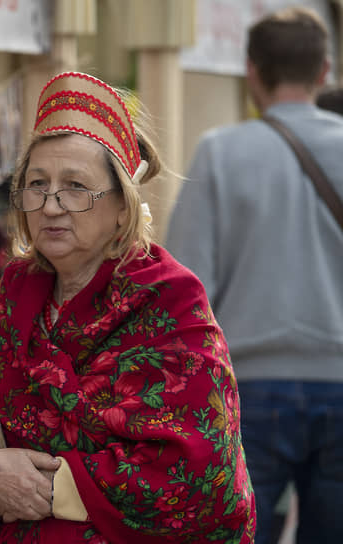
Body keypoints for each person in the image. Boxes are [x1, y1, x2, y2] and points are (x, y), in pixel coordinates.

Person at [0, 70, 256, 543]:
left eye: (76, 186)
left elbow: (199, 474)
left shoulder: (169, 300)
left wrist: (44, 489)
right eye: (37, 184)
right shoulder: (20, 295)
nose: (51, 206)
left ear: (122, 205)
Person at [166, 7, 343, 543]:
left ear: (252, 71)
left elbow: (184, 288)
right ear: (324, 71)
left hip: (246, 387)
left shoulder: (222, 152)